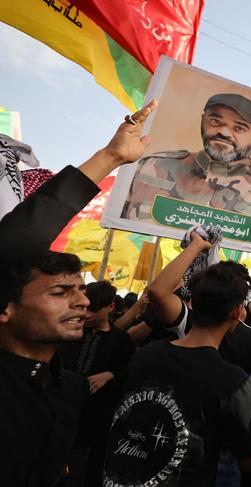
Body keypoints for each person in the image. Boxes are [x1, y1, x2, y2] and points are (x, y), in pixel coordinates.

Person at [0, 100, 157, 486]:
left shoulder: (71, 388)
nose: (82, 301)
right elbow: (16, 242)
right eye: (60, 291)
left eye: (80, 290)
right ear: (4, 306)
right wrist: (110, 157)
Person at [103, 258, 251, 486]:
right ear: (238, 311)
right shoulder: (232, 381)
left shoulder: (147, 354)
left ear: (192, 303)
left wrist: (197, 245)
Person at [144, 232, 251, 487]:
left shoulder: (249, 339)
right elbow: (158, 293)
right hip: (177, 441)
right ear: (240, 306)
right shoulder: (187, 321)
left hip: (224, 452)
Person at [122, 93, 251, 248]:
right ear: (203, 120)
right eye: (215, 121)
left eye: (240, 128)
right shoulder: (150, 165)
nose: (223, 132)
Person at [60, 281, 135, 486]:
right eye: (85, 309)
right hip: (65, 412)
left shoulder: (121, 340)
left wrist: (110, 375)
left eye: (94, 310)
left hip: (100, 418)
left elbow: (129, 375)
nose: (88, 316)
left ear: (110, 307)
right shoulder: (72, 332)